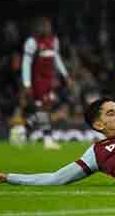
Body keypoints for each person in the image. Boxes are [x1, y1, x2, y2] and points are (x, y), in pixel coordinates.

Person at [21, 17, 69, 150]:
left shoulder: (54, 40)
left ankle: (25, 130)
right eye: (44, 26)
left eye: (48, 26)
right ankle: (48, 139)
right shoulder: (32, 42)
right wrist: (27, 83)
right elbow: (26, 63)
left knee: (45, 108)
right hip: (37, 80)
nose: (47, 28)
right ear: (39, 27)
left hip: (50, 80)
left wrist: (65, 74)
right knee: (43, 109)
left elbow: (56, 58)